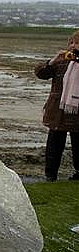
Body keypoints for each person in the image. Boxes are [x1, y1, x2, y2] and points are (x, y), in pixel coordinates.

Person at [34, 30, 79, 181]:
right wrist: (52, 61)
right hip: (57, 110)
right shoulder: (61, 61)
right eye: (71, 43)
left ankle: (78, 173)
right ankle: (50, 175)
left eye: (77, 43)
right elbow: (40, 73)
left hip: (76, 112)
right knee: (54, 145)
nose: (73, 46)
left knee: (78, 144)